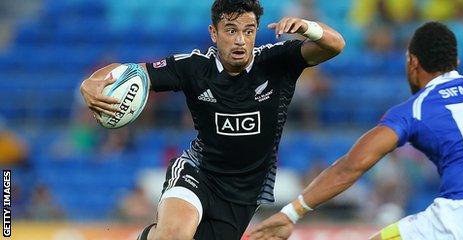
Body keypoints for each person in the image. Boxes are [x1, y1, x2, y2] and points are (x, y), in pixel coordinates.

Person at [249, 22, 463, 240]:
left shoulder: (417, 107)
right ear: (456, 63)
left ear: (412, 62)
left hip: (459, 221)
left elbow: (352, 165)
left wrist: (290, 213)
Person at [79, 0, 345, 239]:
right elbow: (135, 72)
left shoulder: (278, 62)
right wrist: (92, 82)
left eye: (248, 31)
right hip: (199, 172)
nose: (240, 40)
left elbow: (336, 45)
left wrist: (309, 27)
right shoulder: (195, 68)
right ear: (214, 33)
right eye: (231, 30)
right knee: (174, 236)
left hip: (243, 194)